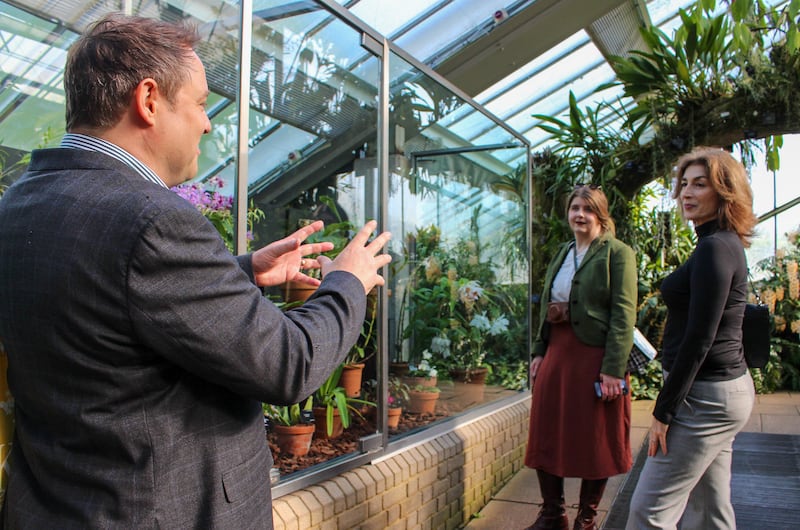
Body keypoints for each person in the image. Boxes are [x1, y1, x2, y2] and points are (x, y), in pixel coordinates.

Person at [0, 14, 391, 529]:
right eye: (201, 104)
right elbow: (289, 364)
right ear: (148, 101)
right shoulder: (153, 220)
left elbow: (102, 293)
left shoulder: (20, 202)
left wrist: (243, 269)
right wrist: (348, 281)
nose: (208, 123)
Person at [627, 147, 757, 529]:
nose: (687, 192)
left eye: (700, 184)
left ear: (724, 191)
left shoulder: (716, 249)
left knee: (648, 511)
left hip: (705, 399)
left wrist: (663, 412)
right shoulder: (717, 243)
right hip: (720, 392)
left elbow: (700, 339)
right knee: (708, 509)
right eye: (684, 183)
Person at [525, 185, 637, 530]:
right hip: (558, 353)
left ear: (600, 215)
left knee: (596, 437)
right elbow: (545, 305)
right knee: (546, 430)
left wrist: (612, 370)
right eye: (575, 207)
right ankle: (552, 514)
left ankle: (586, 519)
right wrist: (540, 351)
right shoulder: (562, 251)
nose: (579, 215)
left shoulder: (617, 253)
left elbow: (623, 313)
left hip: (596, 357)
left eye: (588, 209)